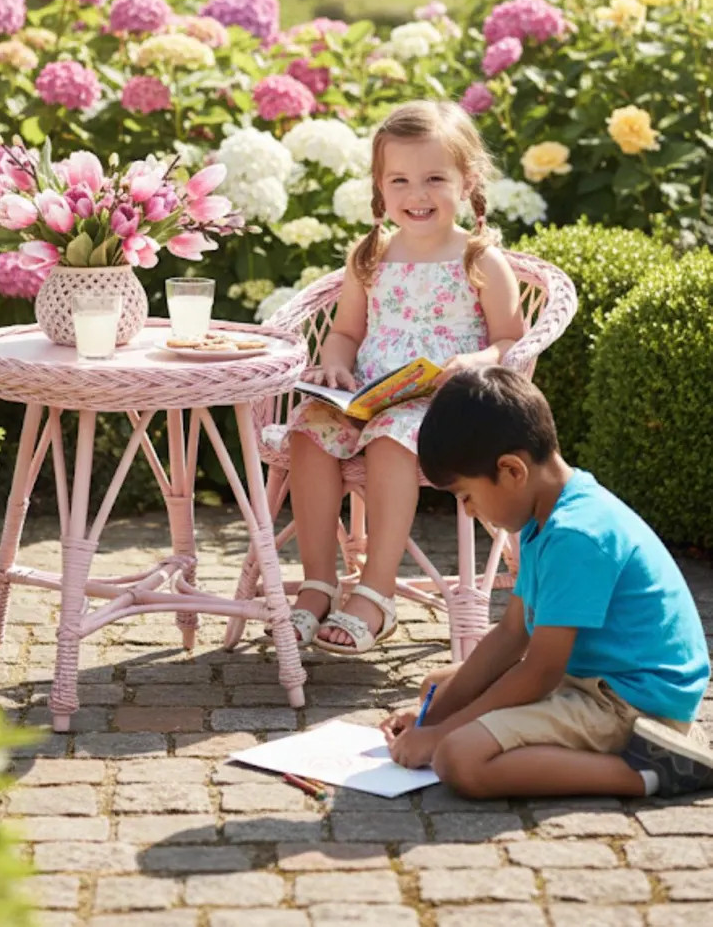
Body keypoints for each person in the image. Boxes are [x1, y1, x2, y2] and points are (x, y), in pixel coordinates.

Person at [382, 366, 713, 799]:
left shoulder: (576, 534)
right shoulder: (545, 516)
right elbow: (512, 634)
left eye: (466, 495)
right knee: (435, 687)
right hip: (590, 678)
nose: (466, 511)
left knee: (458, 757)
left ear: (511, 471)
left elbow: (539, 672)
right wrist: (429, 721)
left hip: (632, 704)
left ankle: (658, 772)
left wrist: (441, 734)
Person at [283, 100, 524, 654]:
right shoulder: (370, 256)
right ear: (380, 188)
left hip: (445, 403)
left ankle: (376, 592)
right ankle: (318, 581)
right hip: (370, 397)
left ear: (466, 182)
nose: (417, 195)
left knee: (392, 443)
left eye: (434, 178)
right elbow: (344, 332)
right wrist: (337, 362)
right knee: (307, 431)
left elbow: (510, 338)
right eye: (401, 180)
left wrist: (477, 362)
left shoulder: (480, 258)